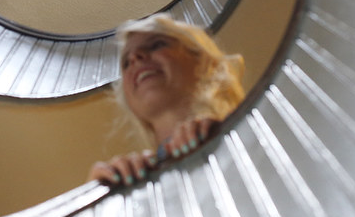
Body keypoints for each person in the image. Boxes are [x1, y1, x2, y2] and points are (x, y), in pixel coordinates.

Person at [88, 13, 245, 186]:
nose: (135, 58)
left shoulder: (246, 134)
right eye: (126, 63)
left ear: (203, 62)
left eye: (156, 45)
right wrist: (100, 195)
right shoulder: (135, 182)